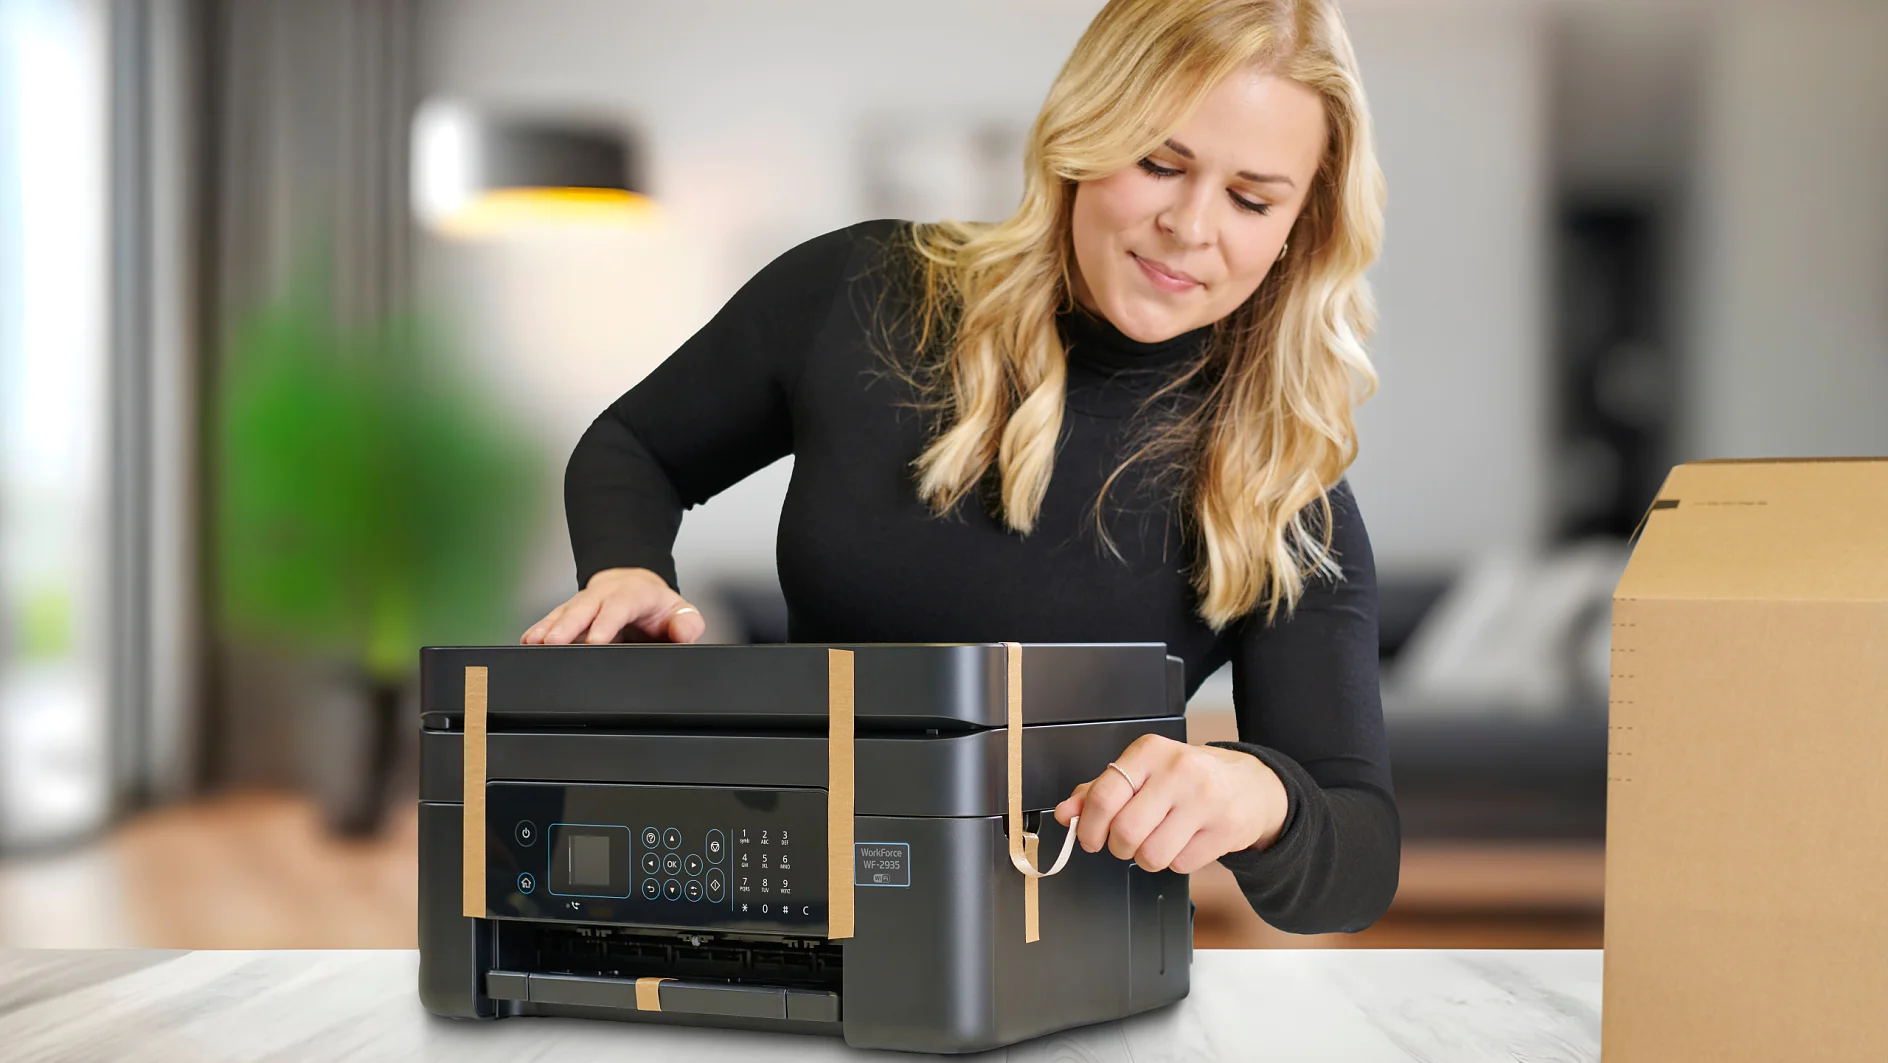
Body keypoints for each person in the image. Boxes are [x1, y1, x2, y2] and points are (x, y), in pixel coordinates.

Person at [525, 0, 1396, 934]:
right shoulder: (864, 291)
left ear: (1301, 228)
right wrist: (627, 570)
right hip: (787, 921)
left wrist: (1262, 796)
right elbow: (634, 446)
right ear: (1081, 133)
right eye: (1158, 162)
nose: (1191, 225)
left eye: (1252, 199)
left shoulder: (1281, 488)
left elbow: (1359, 850)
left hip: (1061, 973)